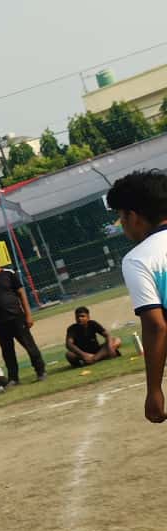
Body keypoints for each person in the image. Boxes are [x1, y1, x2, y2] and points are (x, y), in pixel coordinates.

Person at [106, 169, 167, 423]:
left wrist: (154, 390)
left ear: (133, 217)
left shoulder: (139, 259)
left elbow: (155, 325)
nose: (122, 224)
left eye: (121, 216)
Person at [0, 249, 46, 384]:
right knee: (7, 352)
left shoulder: (9, 274)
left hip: (16, 318)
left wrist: (28, 315)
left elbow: (22, 294)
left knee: (29, 346)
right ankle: (13, 378)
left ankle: (40, 371)